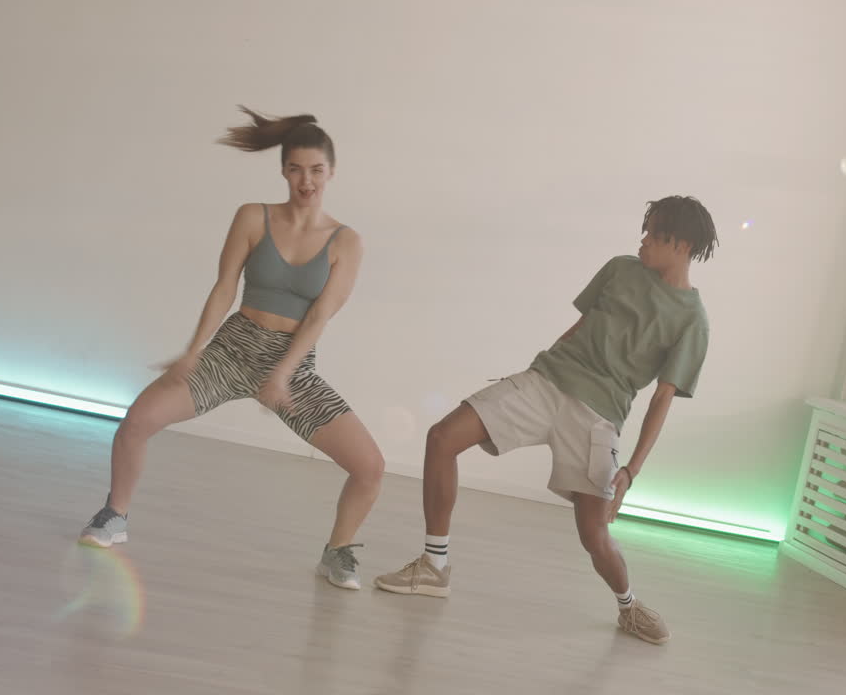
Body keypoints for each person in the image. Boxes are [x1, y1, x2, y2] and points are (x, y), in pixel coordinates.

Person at [373, 195, 717, 644]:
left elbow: (661, 400)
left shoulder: (693, 320)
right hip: (547, 382)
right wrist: (537, 368)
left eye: (654, 234)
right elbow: (580, 327)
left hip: (599, 417)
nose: (643, 239)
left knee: (593, 535)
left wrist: (631, 470)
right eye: (645, 229)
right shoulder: (619, 268)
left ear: (683, 245)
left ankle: (628, 606)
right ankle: (434, 566)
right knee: (442, 437)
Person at [78, 107, 384, 591]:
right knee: (136, 422)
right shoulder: (252, 216)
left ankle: (338, 552)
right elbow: (224, 288)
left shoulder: (347, 242)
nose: (307, 180)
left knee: (370, 467)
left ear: (332, 172)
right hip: (230, 350)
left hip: (292, 365)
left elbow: (321, 315)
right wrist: (193, 350)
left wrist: (282, 374)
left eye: (317, 170)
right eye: (297, 169)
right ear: (284, 170)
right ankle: (114, 514)